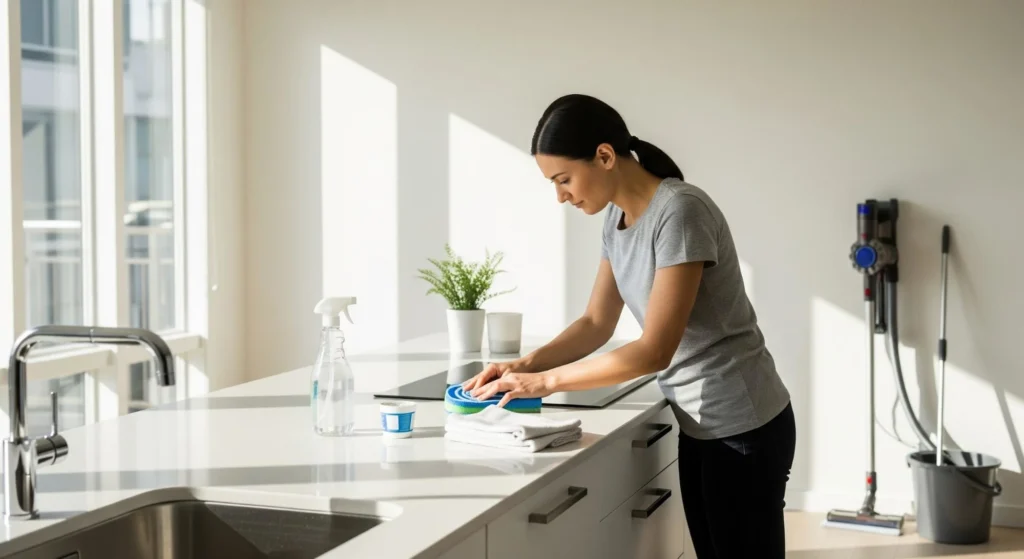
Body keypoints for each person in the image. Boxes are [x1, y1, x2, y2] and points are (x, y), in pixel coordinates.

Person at [462, 94, 795, 558]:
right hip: (699, 424)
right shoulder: (617, 221)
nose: (560, 196)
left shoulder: (680, 211)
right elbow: (596, 322)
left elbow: (654, 350)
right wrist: (519, 364)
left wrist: (544, 382)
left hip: (743, 425)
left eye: (563, 179)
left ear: (604, 156)